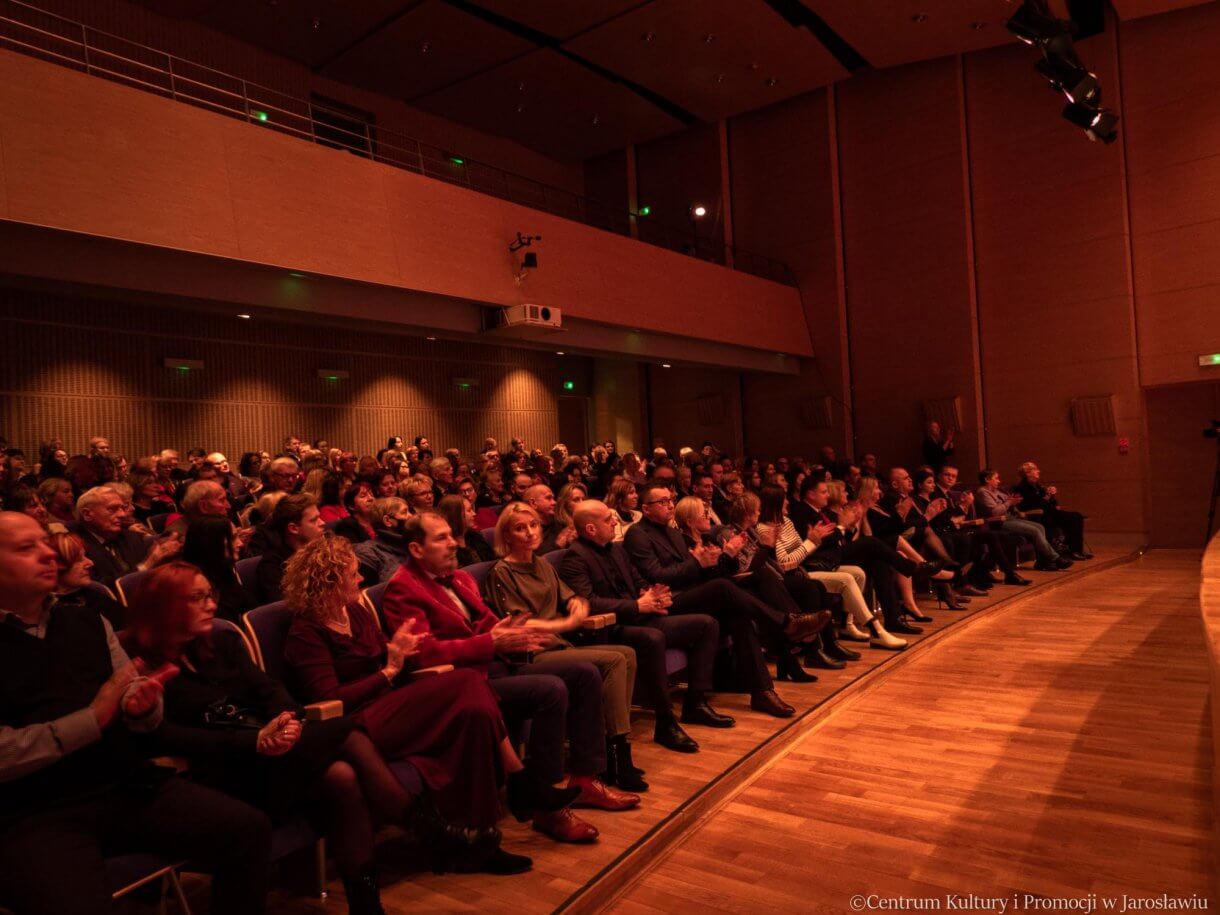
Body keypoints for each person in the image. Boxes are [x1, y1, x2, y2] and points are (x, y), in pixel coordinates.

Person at [123, 560, 436, 914]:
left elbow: (268, 688)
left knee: (342, 776)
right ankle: (424, 826)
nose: (211, 605)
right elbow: (168, 738)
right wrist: (255, 741)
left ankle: (367, 903)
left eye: (210, 596)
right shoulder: (136, 662)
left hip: (266, 755)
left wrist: (286, 719)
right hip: (217, 775)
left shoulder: (219, 642)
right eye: (197, 598)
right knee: (346, 732)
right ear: (166, 605)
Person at [0, 511, 272, 915]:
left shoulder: (87, 620)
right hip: (33, 811)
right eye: (27, 548)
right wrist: (93, 718)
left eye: (44, 542)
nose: (48, 554)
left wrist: (141, 708)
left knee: (248, 829)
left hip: (120, 785)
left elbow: (133, 707)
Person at [281, 535, 534, 874]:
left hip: (387, 705)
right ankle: (518, 781)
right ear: (328, 581)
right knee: (467, 682)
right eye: (353, 574)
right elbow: (328, 700)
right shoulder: (305, 632)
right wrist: (388, 670)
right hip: (352, 726)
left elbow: (386, 658)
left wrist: (397, 652)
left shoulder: (353, 610)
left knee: (472, 714)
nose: (361, 580)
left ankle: (481, 839)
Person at [380, 512, 633, 843]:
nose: (454, 543)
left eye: (451, 535)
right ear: (416, 548)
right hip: (462, 684)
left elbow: (487, 622)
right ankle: (546, 802)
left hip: (496, 664)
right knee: (551, 689)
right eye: (441, 538)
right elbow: (423, 655)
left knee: (584, 673)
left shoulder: (457, 578)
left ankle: (584, 779)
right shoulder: (403, 589)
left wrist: (514, 635)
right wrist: (491, 642)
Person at [487, 503, 646, 791]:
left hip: (558, 646)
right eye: (520, 528)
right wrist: (565, 623)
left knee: (626, 654)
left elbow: (571, 597)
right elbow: (520, 627)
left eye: (533, 525)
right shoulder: (502, 573)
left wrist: (575, 604)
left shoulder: (542, 564)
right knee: (613, 661)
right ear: (506, 536)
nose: (529, 533)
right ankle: (615, 753)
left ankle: (616, 745)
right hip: (532, 654)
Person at [624, 484, 817, 718]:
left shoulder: (673, 533)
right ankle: (786, 622)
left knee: (738, 614)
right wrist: (698, 563)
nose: (669, 505)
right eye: (662, 502)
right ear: (646, 509)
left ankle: (762, 692)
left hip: (691, 594)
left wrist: (720, 558)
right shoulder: (637, 534)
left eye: (670, 500)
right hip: (665, 601)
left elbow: (698, 572)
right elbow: (657, 575)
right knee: (723, 587)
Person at [561, 500, 731, 752]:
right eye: (608, 519)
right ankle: (665, 722)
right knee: (652, 638)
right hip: (611, 627)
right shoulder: (575, 557)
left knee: (706, 624)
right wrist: (637, 605)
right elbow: (589, 602)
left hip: (641, 616)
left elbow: (640, 581)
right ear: (591, 529)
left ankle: (695, 702)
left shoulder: (616, 549)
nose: (615, 522)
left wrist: (654, 594)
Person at [75, 486, 181, 589]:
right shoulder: (76, 548)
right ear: (87, 514)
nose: (122, 514)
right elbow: (102, 588)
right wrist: (147, 565)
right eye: (112, 509)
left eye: (122, 508)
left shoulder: (132, 538)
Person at [975, 469, 1071, 571]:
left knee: (1039, 526)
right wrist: (1009, 503)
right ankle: (1055, 558)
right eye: (996, 478)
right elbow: (994, 512)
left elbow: (1008, 504)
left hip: (1010, 518)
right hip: (998, 522)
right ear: (987, 479)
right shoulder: (983, 492)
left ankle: (1042, 561)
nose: (999, 481)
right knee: (1034, 530)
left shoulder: (997, 491)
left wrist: (1014, 504)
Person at [255, 493, 325, 604]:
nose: (322, 523)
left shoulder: (324, 551)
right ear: (293, 528)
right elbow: (288, 608)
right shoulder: (272, 566)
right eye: (314, 520)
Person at [181, 515, 254, 622]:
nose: (240, 543)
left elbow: (250, 608)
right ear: (212, 542)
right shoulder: (193, 584)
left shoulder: (223, 570)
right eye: (232, 538)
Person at [1014, 462, 1091, 560]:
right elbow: (1034, 504)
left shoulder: (1037, 486)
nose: (1038, 471)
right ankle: (1073, 550)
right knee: (1074, 518)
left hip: (1050, 513)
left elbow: (1052, 503)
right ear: (1027, 473)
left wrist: (1052, 495)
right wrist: (1047, 496)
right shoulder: (1021, 488)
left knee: (1077, 516)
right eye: (1035, 469)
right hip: (1038, 517)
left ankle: (1075, 549)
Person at [353, 497, 414, 585]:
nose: (411, 516)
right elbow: (367, 593)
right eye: (404, 512)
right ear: (388, 521)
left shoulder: (415, 544)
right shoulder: (368, 553)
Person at [436, 493, 495, 567]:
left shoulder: (475, 536)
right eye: (469, 510)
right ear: (456, 515)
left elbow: (493, 563)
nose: (474, 514)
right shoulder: (447, 547)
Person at [524, 484, 576, 554]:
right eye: (548, 498)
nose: (554, 502)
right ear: (533, 503)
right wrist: (557, 545)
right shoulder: (527, 531)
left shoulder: (561, 525)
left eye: (553, 498)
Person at [333, 480, 376, 545]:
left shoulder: (379, 521)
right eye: (363, 496)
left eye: (371, 494)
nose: (370, 498)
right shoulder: (346, 526)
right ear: (351, 506)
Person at [604, 478, 642, 543]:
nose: (636, 496)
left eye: (635, 492)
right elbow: (616, 541)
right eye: (631, 493)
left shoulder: (639, 514)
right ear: (619, 498)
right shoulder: (611, 514)